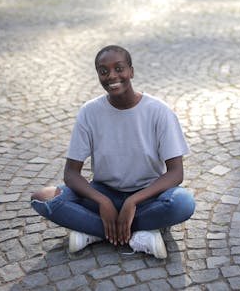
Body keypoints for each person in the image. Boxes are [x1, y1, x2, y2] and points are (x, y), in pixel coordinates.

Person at [30, 45, 196, 259]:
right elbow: (71, 173)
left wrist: (132, 202)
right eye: (104, 71)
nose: (112, 76)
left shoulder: (159, 111)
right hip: (103, 192)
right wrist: (103, 202)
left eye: (119, 68)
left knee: (183, 203)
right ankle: (140, 234)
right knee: (42, 198)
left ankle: (95, 231)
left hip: (148, 194)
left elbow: (175, 173)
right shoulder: (89, 112)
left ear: (132, 71)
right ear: (98, 75)